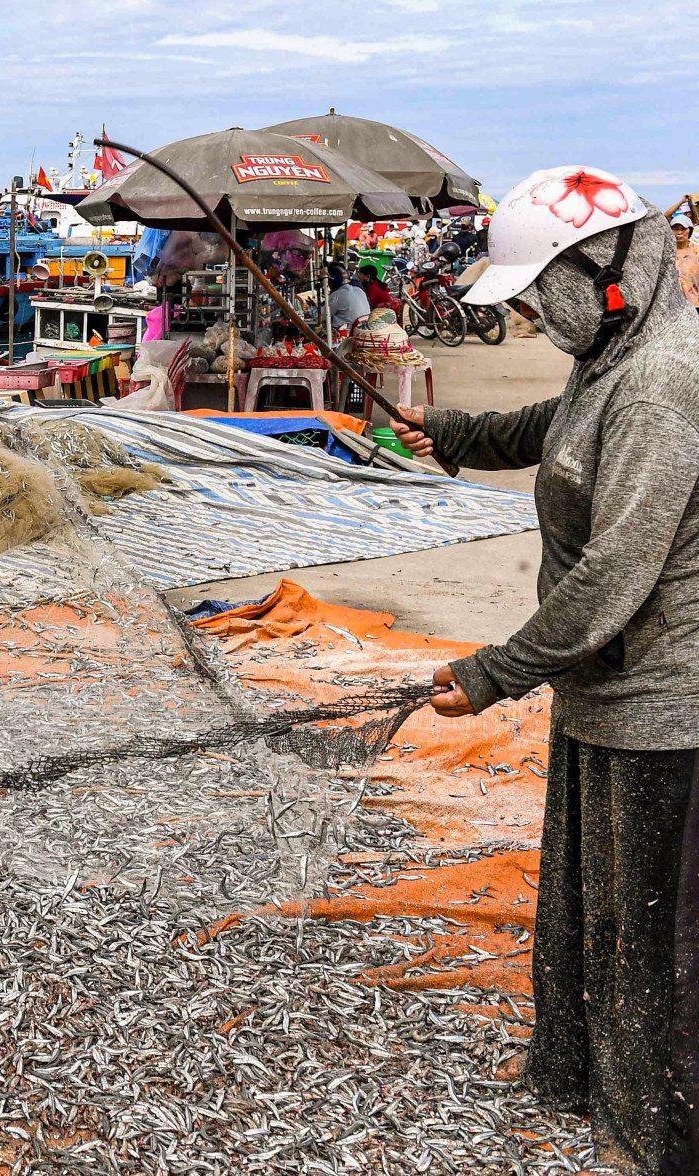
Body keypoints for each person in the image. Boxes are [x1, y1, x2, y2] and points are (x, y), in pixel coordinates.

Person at [390, 165, 699, 1173]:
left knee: (644, 932)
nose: (530, 314)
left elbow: (616, 570)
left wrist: (490, 672)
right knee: (583, 905)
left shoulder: (663, 378)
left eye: (535, 294)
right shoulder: (613, 352)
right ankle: (579, 1080)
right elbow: (550, 434)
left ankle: (653, 1133)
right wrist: (453, 436)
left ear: (605, 273)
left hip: (662, 703)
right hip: (595, 688)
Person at [672, 214, 699, 311]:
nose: (679, 232)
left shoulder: (697, 251)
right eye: (675, 229)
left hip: (695, 304)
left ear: (690, 230)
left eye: (683, 229)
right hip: (673, 307)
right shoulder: (667, 253)